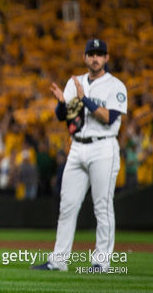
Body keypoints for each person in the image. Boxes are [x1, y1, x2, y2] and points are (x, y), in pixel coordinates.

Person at [33, 38, 127, 272]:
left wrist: (83, 98)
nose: (95, 58)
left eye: (99, 54)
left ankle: (102, 263)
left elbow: (109, 118)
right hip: (77, 147)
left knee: (102, 207)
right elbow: (64, 117)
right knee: (67, 206)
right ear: (85, 57)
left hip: (103, 147)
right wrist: (62, 104)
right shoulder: (74, 82)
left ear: (106, 58)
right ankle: (59, 261)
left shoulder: (115, 85)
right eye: (91, 53)